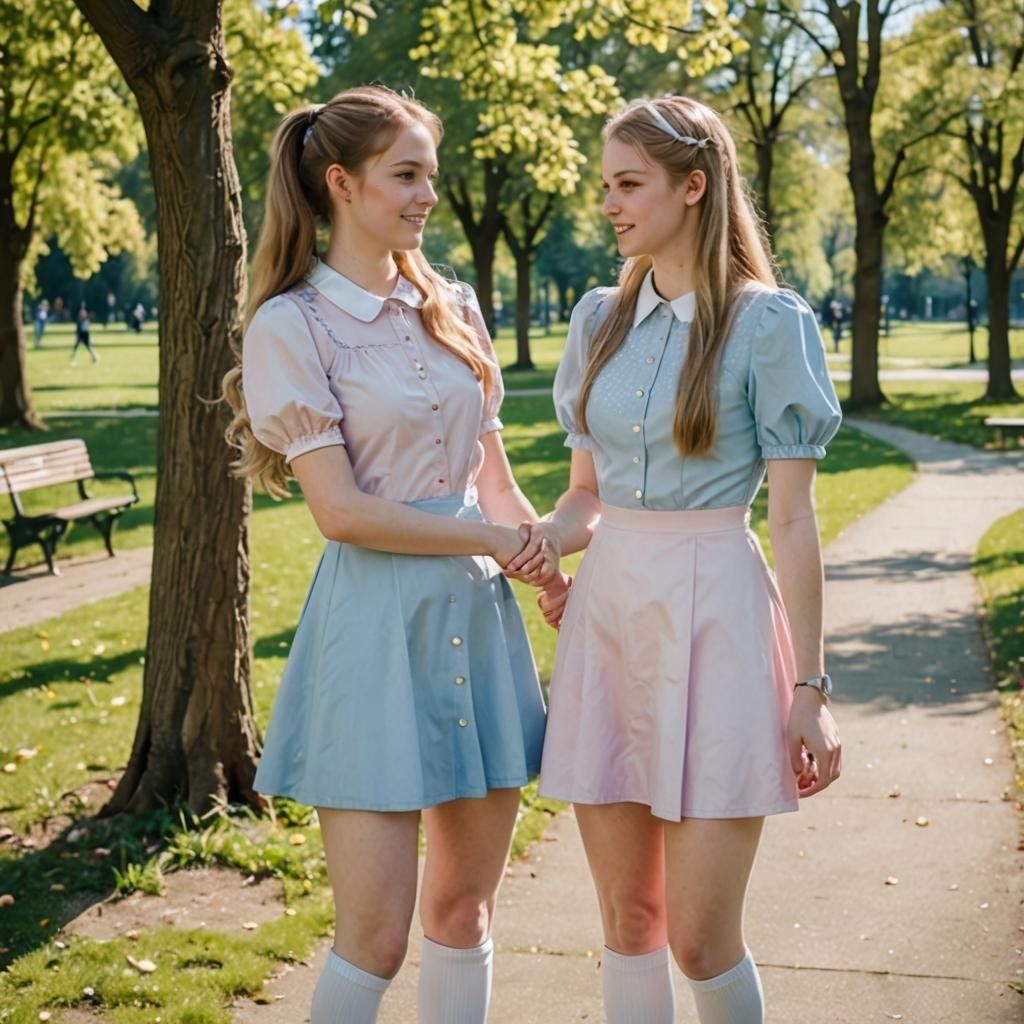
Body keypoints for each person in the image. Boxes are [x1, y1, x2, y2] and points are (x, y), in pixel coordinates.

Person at [222, 86, 562, 1024]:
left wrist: (540, 560)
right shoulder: (291, 324)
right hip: (373, 631)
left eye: (431, 176)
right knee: (373, 935)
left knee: (464, 908)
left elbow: (492, 476)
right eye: (406, 174)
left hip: (477, 622)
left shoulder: (450, 304)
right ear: (342, 182)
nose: (426, 196)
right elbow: (341, 512)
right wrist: (492, 540)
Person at [508, 96, 843, 1024]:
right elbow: (586, 498)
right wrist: (542, 540)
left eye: (629, 184)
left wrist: (810, 688)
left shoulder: (769, 325)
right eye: (605, 185)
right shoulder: (598, 321)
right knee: (629, 917)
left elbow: (792, 520)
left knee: (701, 939)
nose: (609, 205)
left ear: (693, 186)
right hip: (611, 617)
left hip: (719, 620)